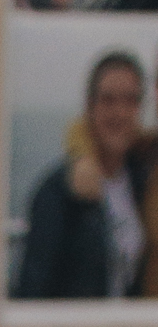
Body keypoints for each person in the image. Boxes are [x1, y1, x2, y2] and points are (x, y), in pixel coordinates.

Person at [15, 45, 152, 290]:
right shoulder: (58, 193)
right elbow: (33, 287)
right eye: (108, 100)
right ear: (90, 106)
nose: (120, 112)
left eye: (130, 100)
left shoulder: (140, 179)